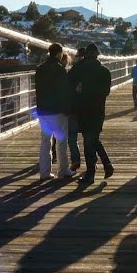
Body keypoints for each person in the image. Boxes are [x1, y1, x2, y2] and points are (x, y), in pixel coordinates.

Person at [69, 43, 114, 184]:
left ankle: (92, 173)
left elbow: (68, 82)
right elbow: (106, 92)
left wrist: (79, 92)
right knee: (92, 139)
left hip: (83, 110)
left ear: (85, 56)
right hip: (98, 110)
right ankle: (105, 165)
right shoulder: (105, 71)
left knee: (89, 141)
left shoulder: (80, 69)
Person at [34, 43, 75, 179]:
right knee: (61, 141)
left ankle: (44, 173)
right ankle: (63, 170)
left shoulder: (39, 69)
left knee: (45, 141)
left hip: (43, 110)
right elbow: (65, 91)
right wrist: (68, 109)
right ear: (58, 53)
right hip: (58, 110)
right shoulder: (60, 69)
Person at [66, 46, 86, 172]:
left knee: (72, 137)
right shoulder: (95, 70)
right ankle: (91, 162)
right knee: (89, 137)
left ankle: (75, 161)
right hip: (89, 109)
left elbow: (67, 88)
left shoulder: (73, 71)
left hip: (73, 108)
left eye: (77, 56)